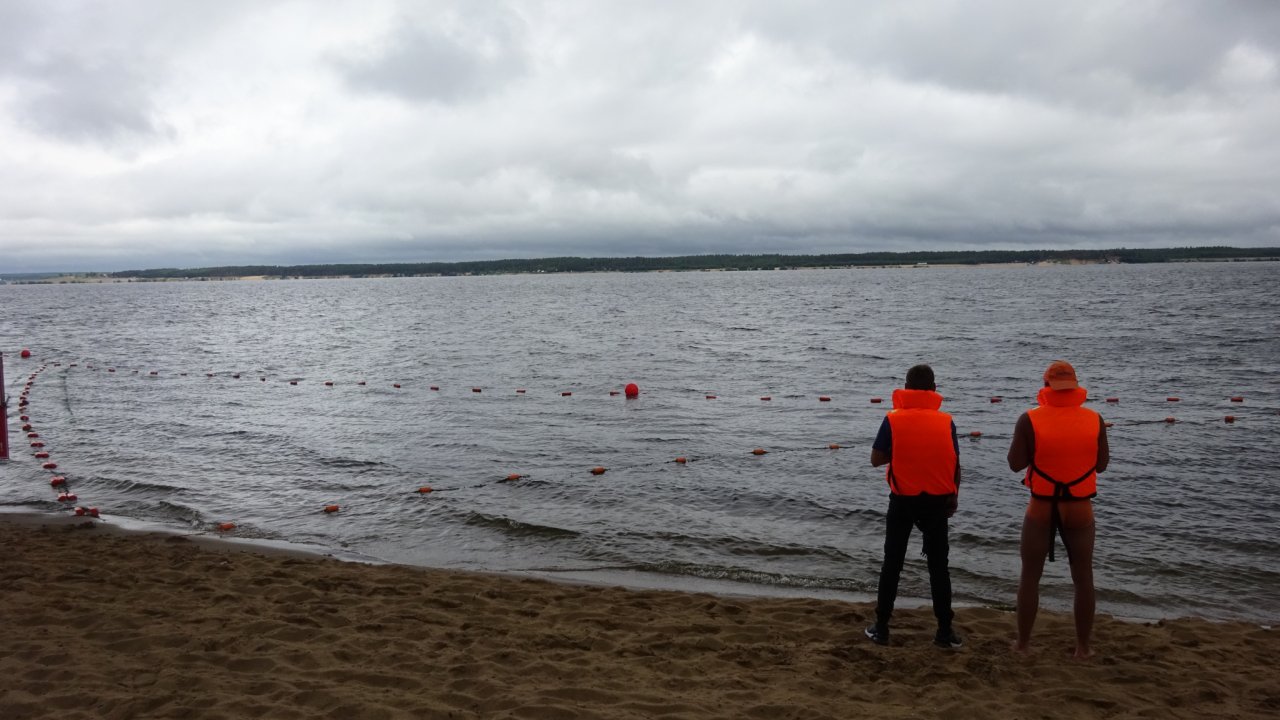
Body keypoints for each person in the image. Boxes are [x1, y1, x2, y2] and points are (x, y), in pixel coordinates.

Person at [1007, 360, 1110, 659]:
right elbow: (1101, 465)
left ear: (1046, 385)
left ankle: (1024, 645)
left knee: (1030, 576)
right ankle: (1083, 648)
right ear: (1076, 386)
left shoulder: (1029, 419)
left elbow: (1015, 464)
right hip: (1080, 507)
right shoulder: (1095, 419)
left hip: (1042, 506)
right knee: (1083, 578)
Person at [865, 364, 963, 648]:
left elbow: (876, 459)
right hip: (937, 501)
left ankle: (881, 628)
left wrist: (901, 451)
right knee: (939, 568)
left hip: (902, 501)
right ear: (933, 389)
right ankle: (944, 631)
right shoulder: (946, 421)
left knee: (892, 564)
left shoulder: (893, 419)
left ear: (905, 389)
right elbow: (955, 463)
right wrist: (954, 496)